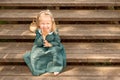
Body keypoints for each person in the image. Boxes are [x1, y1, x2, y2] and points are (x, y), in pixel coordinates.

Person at [23, 10, 66, 76]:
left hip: (52, 46)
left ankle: (56, 67)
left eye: (48, 23)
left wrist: (50, 44)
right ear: (39, 24)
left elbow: (57, 42)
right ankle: (39, 68)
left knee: (55, 51)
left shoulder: (54, 31)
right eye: (43, 23)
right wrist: (43, 36)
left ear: (52, 23)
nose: (45, 26)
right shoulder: (38, 31)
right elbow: (37, 42)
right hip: (41, 47)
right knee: (36, 54)